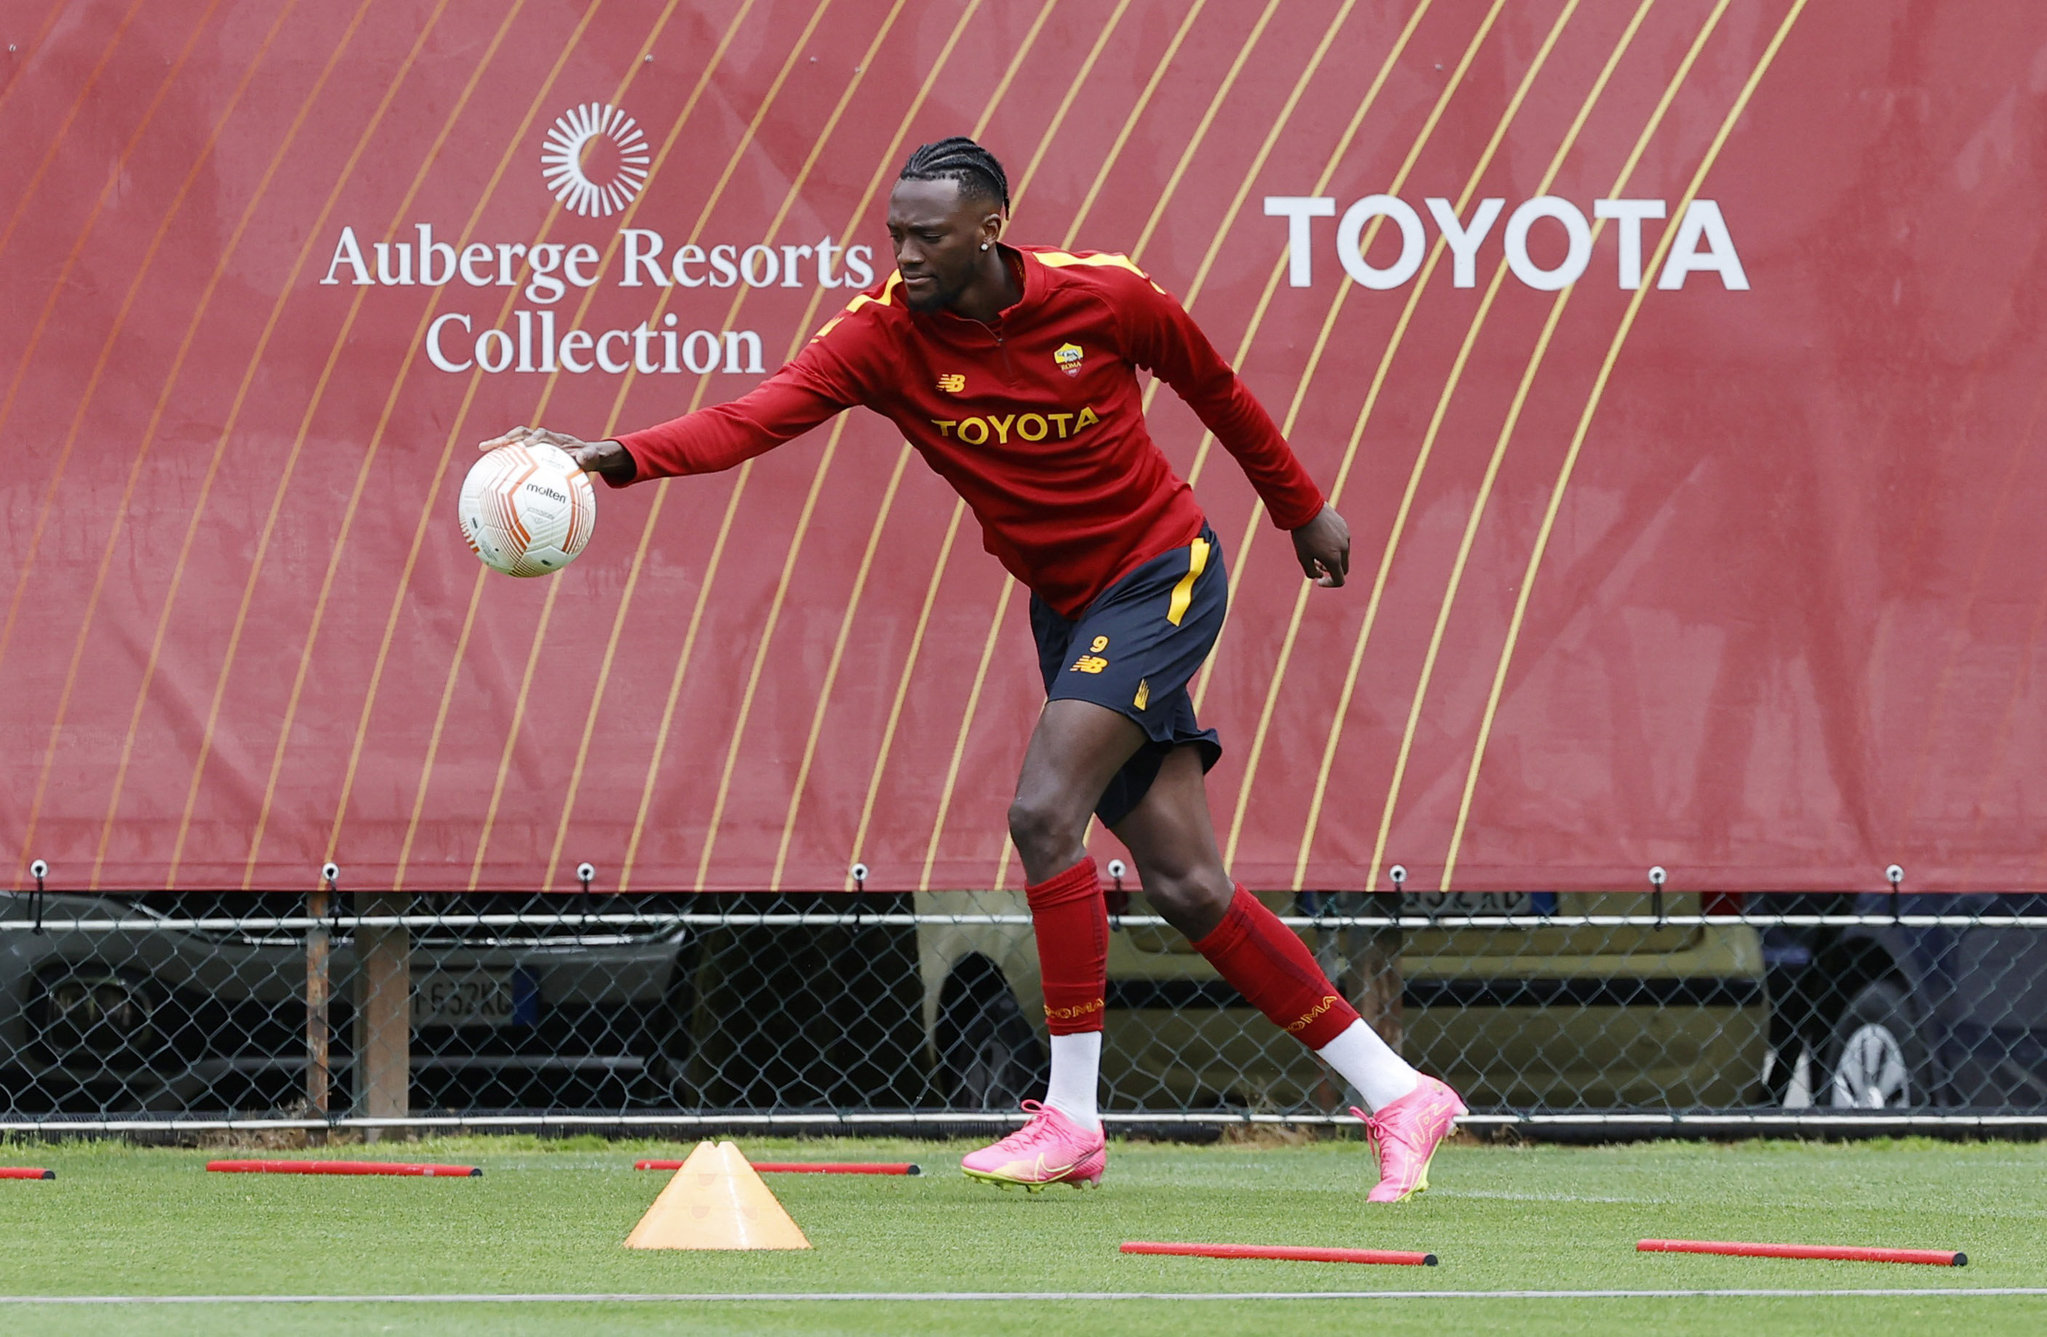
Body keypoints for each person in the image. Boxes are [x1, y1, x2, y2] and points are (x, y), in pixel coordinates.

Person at [485, 136, 1465, 1202]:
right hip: (1068, 609)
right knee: (1187, 884)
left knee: (1044, 812)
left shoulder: (1108, 298)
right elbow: (752, 418)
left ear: (989, 229)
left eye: (927, 234)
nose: (902, 251)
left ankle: (1072, 1117)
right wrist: (612, 455)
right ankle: (1399, 1089)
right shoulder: (881, 338)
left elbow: (1217, 390)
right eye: (894, 230)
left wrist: (1299, 509)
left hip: (1162, 575)